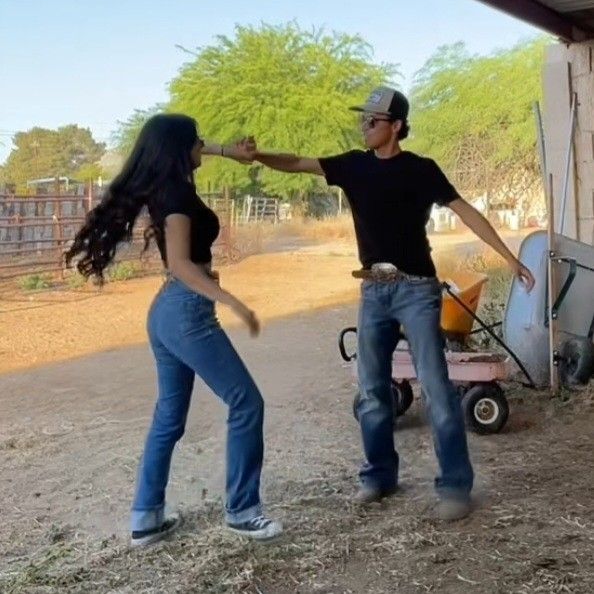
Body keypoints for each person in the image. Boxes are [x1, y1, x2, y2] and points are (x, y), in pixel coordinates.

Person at [243, 87, 535, 521]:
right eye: (363, 119)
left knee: (436, 389)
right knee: (373, 391)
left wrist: (510, 259)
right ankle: (379, 477)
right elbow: (298, 163)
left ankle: (455, 488)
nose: (365, 126)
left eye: (373, 120)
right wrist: (258, 155)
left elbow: (467, 212)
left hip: (417, 290)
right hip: (373, 292)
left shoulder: (422, 170)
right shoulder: (354, 166)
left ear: (396, 125)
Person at [65, 113, 282, 546]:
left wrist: (229, 151)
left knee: (169, 417)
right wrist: (233, 302)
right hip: (186, 311)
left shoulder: (170, 186)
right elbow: (181, 264)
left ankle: (145, 518)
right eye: (198, 141)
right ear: (182, 150)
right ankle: (242, 511)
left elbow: (195, 149)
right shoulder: (178, 194)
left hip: (168, 313)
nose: (205, 145)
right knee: (247, 402)